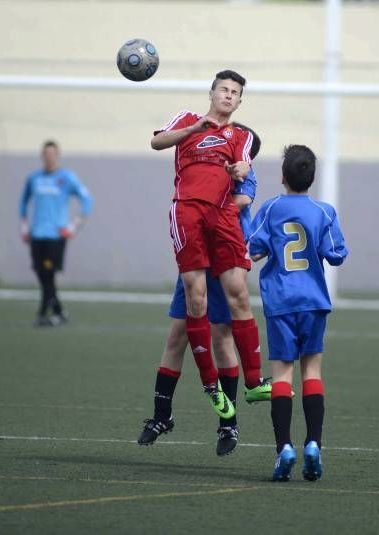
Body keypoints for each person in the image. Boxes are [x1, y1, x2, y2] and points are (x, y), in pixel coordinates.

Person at [138, 124, 268, 457]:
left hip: (223, 263)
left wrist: (223, 178)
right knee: (176, 336)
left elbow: (240, 201)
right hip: (198, 260)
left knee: (222, 337)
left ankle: (229, 423)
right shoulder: (210, 164)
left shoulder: (243, 176)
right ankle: (161, 415)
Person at [151, 70, 265, 420]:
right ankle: (207, 389)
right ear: (212, 93)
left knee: (238, 297)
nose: (229, 95)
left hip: (222, 221)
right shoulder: (187, 119)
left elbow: (245, 163)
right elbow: (156, 142)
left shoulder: (240, 134)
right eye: (224, 89)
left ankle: (254, 382)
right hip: (188, 213)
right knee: (191, 305)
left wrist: (239, 170)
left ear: (240, 101)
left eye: (235, 92)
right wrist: (194, 129)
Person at [248, 144, 348, 482]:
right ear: (312, 177)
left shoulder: (271, 208)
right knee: (313, 371)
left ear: (282, 176)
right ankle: (314, 444)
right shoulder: (323, 211)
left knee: (281, 375)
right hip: (313, 300)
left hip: (280, 301)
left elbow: (254, 250)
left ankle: (284, 449)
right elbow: (336, 254)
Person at [19, 140, 93, 327]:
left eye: (52, 153)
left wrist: (74, 226)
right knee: (42, 274)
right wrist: (24, 227)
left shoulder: (66, 178)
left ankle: (43, 313)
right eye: (46, 154)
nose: (49, 157)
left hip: (56, 236)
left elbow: (87, 200)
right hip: (37, 235)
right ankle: (59, 312)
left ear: (57, 155)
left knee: (49, 273)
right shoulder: (34, 178)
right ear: (42, 156)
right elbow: (23, 203)